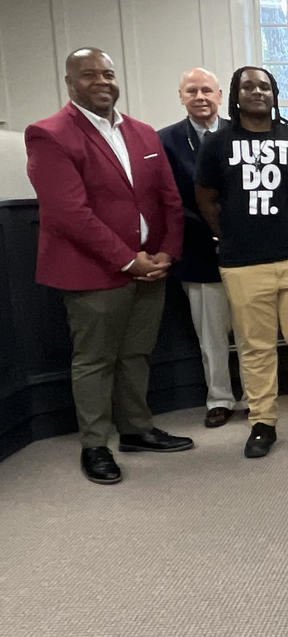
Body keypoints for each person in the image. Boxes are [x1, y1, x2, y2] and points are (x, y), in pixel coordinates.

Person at [25, 47, 193, 485]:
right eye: (89, 75)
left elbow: (170, 199)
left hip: (151, 266)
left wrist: (167, 253)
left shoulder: (143, 133)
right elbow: (69, 214)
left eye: (108, 74)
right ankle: (95, 444)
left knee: (136, 353)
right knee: (95, 360)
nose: (101, 81)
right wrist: (127, 260)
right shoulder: (49, 134)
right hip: (93, 271)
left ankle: (136, 429)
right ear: (69, 82)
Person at [195, 66, 288, 458]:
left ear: (274, 94)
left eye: (264, 86)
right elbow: (206, 198)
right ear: (235, 95)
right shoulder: (217, 143)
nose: (257, 92)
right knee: (254, 348)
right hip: (243, 264)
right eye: (248, 86)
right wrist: (230, 234)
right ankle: (262, 423)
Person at [158, 67, 246, 429]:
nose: (200, 97)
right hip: (197, 251)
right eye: (191, 91)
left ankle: (256, 398)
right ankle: (220, 399)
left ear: (220, 95)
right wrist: (212, 230)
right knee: (211, 337)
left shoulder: (242, 133)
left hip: (246, 251)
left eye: (207, 90)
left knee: (251, 333)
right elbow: (168, 200)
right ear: (181, 96)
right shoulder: (165, 141)